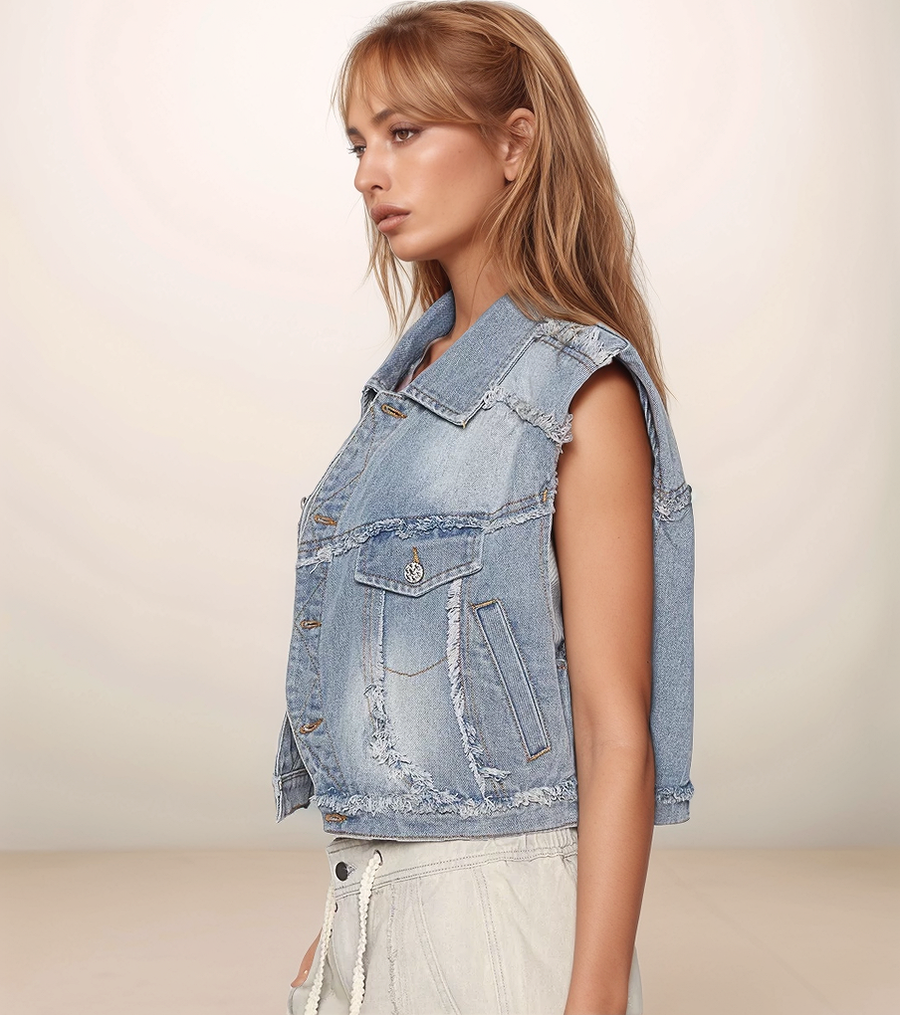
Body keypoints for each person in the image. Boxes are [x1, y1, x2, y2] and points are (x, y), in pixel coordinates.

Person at [275, 2, 694, 1013]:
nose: (372, 172)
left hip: (502, 933)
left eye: (406, 133)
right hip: (363, 918)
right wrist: (339, 933)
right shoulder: (402, 395)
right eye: (359, 144)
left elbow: (612, 727)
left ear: (515, 142)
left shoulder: (575, 388)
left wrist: (594, 995)